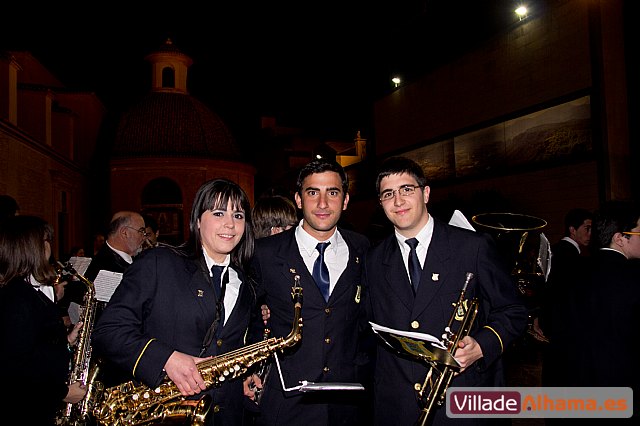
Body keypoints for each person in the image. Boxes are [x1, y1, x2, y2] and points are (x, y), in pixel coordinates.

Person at [363, 156, 528, 426]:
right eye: (388, 194)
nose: (398, 201)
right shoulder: (372, 259)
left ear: (425, 193)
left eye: (407, 189)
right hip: (398, 406)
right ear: (381, 203)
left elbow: (513, 310)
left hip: (463, 401)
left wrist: (481, 346)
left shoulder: (472, 247)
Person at [92, 178, 257, 426]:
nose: (230, 224)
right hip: (164, 414)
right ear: (198, 220)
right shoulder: (159, 263)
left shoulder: (247, 287)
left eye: (239, 215)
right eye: (219, 212)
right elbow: (107, 331)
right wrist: (166, 358)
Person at [244, 158, 371, 426]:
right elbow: (248, 314)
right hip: (287, 401)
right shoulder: (265, 253)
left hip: (348, 403)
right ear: (299, 200)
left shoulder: (363, 248)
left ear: (345, 201)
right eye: (313, 192)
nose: (323, 204)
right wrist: (252, 367)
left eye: (332, 193)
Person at [0, 215, 86, 424]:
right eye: (45, 240)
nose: (49, 246)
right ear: (29, 248)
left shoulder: (25, 291)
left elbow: (34, 345)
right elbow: (14, 368)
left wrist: (66, 341)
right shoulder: (17, 298)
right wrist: (62, 392)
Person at [572, 200, 640, 419]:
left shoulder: (576, 271)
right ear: (620, 238)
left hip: (580, 384)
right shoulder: (632, 278)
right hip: (623, 384)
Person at [536, 208, 592, 387]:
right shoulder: (571, 256)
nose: (590, 233)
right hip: (566, 330)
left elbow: (547, 288)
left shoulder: (556, 250)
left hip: (554, 327)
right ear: (572, 229)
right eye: (586, 228)